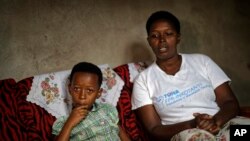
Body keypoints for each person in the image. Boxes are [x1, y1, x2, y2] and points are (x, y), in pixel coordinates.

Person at [131, 10, 250, 141]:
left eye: (169, 34)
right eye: (155, 36)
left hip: (220, 122)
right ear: (149, 41)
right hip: (186, 132)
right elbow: (154, 129)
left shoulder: (202, 61)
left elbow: (229, 102)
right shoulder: (143, 80)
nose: (162, 40)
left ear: (178, 37)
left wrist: (215, 122)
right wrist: (193, 123)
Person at [52, 62, 130, 141]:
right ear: (70, 89)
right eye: (77, 89)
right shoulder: (63, 123)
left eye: (89, 90)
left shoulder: (107, 110)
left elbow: (120, 132)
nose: (82, 96)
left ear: (98, 93)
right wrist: (69, 124)